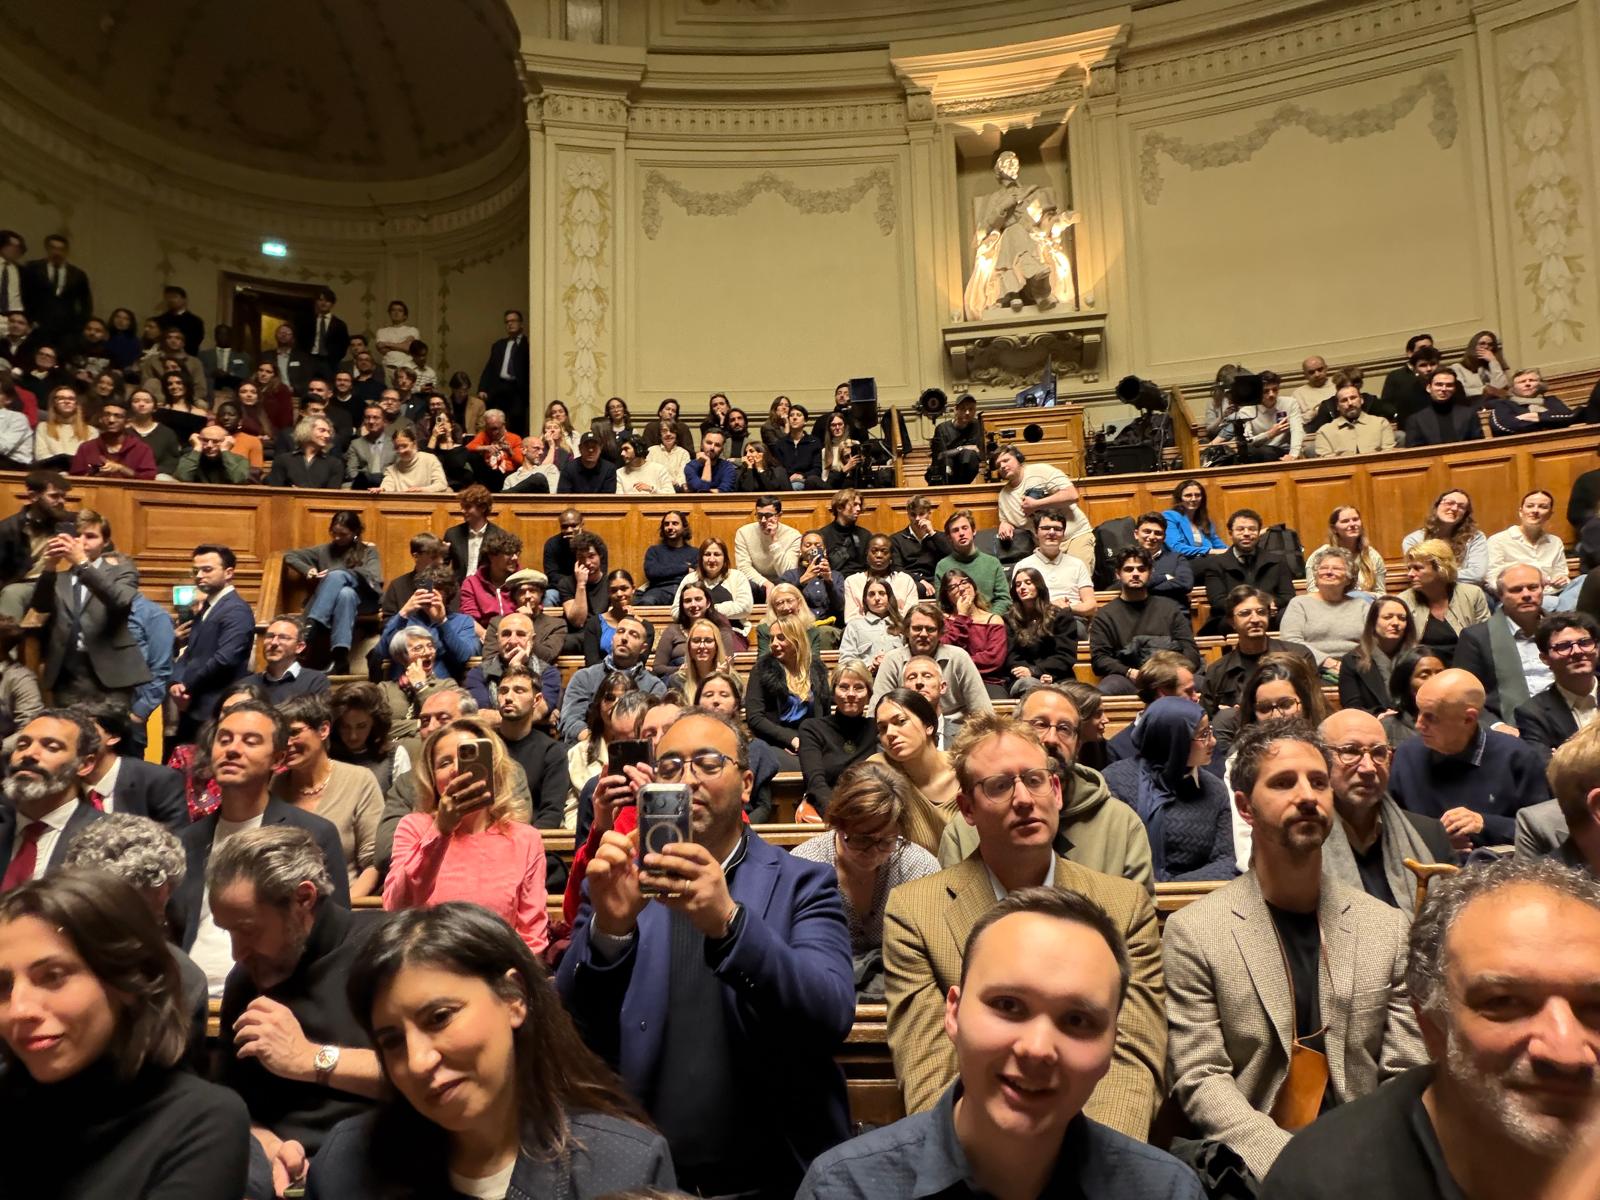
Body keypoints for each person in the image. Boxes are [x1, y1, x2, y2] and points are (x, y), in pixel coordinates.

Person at [556, 709, 855, 1197]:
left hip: (775, 1176)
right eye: (670, 766)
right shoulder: (620, 883)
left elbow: (829, 1013)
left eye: (708, 763)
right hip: (640, 1181)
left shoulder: (805, 881)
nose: (687, 778)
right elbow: (571, 1028)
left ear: (745, 783)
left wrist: (729, 922)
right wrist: (609, 932)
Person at [803, 886, 1201, 1199]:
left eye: (1077, 1020)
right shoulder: (843, 1188)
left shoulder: (1169, 1191)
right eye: (1008, 1005)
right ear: (954, 1013)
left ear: (1113, 1041)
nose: (1038, 1048)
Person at [1163, 719, 1426, 1181]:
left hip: (1368, 1158)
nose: (1307, 796)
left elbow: (1406, 1069)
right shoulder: (1195, 931)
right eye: (1284, 783)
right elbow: (1200, 1075)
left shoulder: (1386, 927)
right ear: (1244, 807)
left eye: (1319, 782)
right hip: (1256, 1162)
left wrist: (1365, 1158)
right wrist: (1293, 1165)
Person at [883, 714, 1164, 1136]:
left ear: (1056, 791)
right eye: (998, 785)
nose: (1023, 799)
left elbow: (1131, 1061)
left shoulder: (1123, 908)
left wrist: (1089, 1172)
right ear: (967, 810)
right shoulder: (915, 911)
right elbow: (929, 1069)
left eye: (1034, 780)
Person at [1258, 856, 1600, 1200]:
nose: (1567, 1052)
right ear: (1431, 1024)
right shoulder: (1322, 1184)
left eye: (1596, 1008)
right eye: (1504, 1003)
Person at [307, 905, 675, 1200]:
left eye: (439, 1018)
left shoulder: (625, 1166)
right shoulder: (344, 1164)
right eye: (391, 1041)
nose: (418, 1062)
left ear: (514, 998)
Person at [0, 870, 251, 1200]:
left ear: (130, 981)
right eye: (3, 986)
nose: (18, 1009)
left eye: (53, 977)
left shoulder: (202, 1119)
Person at [209, 825, 382, 1186]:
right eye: (228, 932)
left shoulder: (389, 950)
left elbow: (431, 1072)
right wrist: (268, 1145)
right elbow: (235, 1102)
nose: (236, 954)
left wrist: (309, 1058)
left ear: (303, 898)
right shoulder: (245, 979)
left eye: (248, 929)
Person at [173, 701, 350, 985]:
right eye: (224, 739)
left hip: (275, 993)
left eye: (250, 741)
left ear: (278, 760)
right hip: (190, 998)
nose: (232, 749)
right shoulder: (187, 840)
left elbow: (334, 938)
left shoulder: (312, 834)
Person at [941, 683, 1156, 887]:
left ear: (1078, 744)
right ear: (1015, 732)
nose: (1052, 739)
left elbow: (1135, 911)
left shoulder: (1121, 824)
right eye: (1040, 724)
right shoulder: (967, 827)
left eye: (1064, 729)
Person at [384, 716, 549, 952]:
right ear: (432, 778)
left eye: (467, 757)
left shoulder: (525, 839)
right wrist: (441, 831)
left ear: (492, 767)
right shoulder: (415, 827)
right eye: (444, 763)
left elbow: (532, 937)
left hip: (497, 973)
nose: (456, 769)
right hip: (426, 968)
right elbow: (397, 907)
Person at [791, 759, 941, 963]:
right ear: (838, 824)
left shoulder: (919, 867)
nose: (873, 852)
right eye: (862, 839)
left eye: (887, 841)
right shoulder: (804, 866)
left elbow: (933, 950)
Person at [1390, 668, 1549, 849]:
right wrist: (1436, 839)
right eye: (1418, 712)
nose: (1418, 725)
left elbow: (1544, 832)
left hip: (1499, 867)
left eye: (1431, 717)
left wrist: (1485, 825)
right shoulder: (1407, 755)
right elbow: (1389, 826)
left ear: (1468, 719)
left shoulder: (1517, 757)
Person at [1319, 709, 1454, 909]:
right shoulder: (1305, 843)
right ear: (1320, 759)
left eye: (1378, 753)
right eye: (1350, 751)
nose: (1368, 768)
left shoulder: (1430, 835)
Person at [27, 507, 149, 706]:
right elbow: (40, 607)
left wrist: (82, 563)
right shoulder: (59, 579)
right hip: (66, 674)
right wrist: (49, 567)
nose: (81, 542)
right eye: (77, 535)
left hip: (111, 673)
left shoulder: (122, 570)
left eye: (90, 536)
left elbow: (119, 600)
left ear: (106, 542)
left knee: (108, 733)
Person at [1103, 698, 1235, 881]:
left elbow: (1226, 862)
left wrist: (1171, 889)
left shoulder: (1215, 789)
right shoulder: (1115, 781)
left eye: (1210, 731)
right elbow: (1109, 857)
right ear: (1175, 740)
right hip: (1126, 893)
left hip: (1195, 899)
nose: (1212, 741)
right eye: (1203, 734)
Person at [270, 694, 382, 900]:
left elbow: (373, 862)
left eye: (294, 733)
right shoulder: (274, 786)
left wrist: (344, 907)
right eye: (281, 736)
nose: (287, 743)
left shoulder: (359, 780)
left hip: (344, 904)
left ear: (323, 730)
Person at [0, 710, 104, 892]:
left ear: (85, 765)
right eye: (22, 745)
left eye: (52, 747)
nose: (29, 754)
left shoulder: (107, 838)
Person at [169, 544, 256, 743]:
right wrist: (175, 681)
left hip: (216, 708)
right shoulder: (207, 608)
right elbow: (189, 653)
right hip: (194, 707)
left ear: (229, 573)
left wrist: (186, 686)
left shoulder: (236, 610)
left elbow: (224, 659)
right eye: (195, 571)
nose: (199, 575)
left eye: (207, 569)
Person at [1089, 548, 1200, 696]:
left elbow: (1190, 650)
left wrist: (1170, 672)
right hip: (1128, 676)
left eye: (1141, 569)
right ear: (1118, 574)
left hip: (1171, 674)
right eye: (1129, 569)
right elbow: (1100, 659)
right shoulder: (1104, 615)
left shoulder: (1170, 608)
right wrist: (1130, 672)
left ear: (1150, 573)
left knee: (1204, 685)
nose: (1135, 573)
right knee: (1106, 690)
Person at [1453, 563, 1553, 723]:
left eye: (1533, 587)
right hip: (1510, 726)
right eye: (1516, 590)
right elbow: (1462, 694)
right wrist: (1496, 726)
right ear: (1500, 595)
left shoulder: (1563, 630)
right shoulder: (1476, 638)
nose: (1526, 594)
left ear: (1543, 589)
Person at [286, 512, 382, 677]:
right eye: (334, 533)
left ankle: (309, 632)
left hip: (365, 600)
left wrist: (340, 574)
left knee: (337, 576)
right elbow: (290, 555)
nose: (337, 538)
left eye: (343, 534)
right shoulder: (324, 550)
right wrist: (308, 570)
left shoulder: (368, 551)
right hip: (342, 602)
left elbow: (374, 577)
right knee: (346, 594)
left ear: (355, 533)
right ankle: (340, 659)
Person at [868, 689, 962, 854]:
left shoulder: (967, 768)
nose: (890, 733)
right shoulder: (880, 769)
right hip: (915, 875)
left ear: (929, 726)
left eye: (901, 721)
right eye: (882, 728)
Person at [72, 698, 186, 830]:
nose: (73, 739)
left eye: (84, 731)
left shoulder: (159, 781)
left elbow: (177, 843)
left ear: (113, 737)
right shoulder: (63, 784)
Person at [869, 602, 995, 718]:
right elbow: (877, 711)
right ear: (906, 631)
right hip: (906, 730)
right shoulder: (892, 660)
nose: (923, 634)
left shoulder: (959, 658)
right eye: (917, 628)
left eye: (930, 629)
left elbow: (982, 710)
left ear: (941, 633)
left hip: (956, 733)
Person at [558, 617, 664, 743]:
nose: (624, 638)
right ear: (612, 639)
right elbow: (570, 720)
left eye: (633, 635)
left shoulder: (654, 686)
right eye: (620, 631)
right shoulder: (584, 677)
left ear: (643, 648)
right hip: (588, 748)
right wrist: (598, 745)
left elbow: (655, 728)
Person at [746, 614, 831, 766]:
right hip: (775, 743)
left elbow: (825, 716)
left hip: (812, 742)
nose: (774, 644)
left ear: (797, 639)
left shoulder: (816, 670)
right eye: (771, 639)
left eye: (781, 638)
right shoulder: (761, 670)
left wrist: (812, 741)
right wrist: (791, 739)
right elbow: (755, 718)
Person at [797, 660, 878, 815]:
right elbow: (815, 782)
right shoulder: (812, 728)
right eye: (844, 687)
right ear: (833, 693)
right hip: (830, 813)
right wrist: (841, 816)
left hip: (872, 811)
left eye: (859, 687)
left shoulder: (878, 728)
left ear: (869, 694)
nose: (851, 694)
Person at [1514, 613, 1600, 757]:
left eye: (1584, 643)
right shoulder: (1532, 713)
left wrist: (1565, 758)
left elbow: (1559, 768)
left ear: (1597, 648)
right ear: (1545, 658)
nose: (1577, 651)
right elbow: (1546, 770)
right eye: (1563, 646)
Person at [1279, 548, 1373, 677]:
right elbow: (1290, 641)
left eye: (1337, 568)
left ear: (1349, 577)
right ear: (1316, 575)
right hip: (1311, 666)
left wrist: (1352, 665)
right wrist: (1328, 663)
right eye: (1323, 568)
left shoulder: (1361, 605)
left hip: (1356, 666)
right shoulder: (1299, 603)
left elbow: (1372, 640)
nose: (1329, 572)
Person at [1201, 507, 1297, 632]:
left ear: (1258, 533)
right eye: (1240, 529)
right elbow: (1218, 602)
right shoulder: (1216, 564)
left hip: (1270, 615)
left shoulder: (1277, 561)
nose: (1246, 533)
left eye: (1252, 529)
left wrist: (1266, 606)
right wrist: (1249, 609)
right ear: (1230, 533)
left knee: (1288, 618)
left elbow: (1288, 596)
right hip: (1232, 619)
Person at [1397, 539, 1492, 666]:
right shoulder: (1403, 601)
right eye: (1409, 568)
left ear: (1441, 568)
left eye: (1418, 568)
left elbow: (1487, 639)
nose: (1410, 574)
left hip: (1468, 668)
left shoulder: (1472, 594)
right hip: (1426, 673)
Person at [993, 445, 1090, 558]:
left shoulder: (1041, 471)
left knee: (1077, 573)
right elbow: (1006, 520)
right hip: (1044, 548)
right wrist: (1005, 524)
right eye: (998, 465)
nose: (1002, 466)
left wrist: (1036, 504)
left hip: (1074, 537)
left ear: (1019, 459)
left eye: (1006, 460)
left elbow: (1072, 495)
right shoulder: (1003, 496)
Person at [1339, 595, 1419, 715]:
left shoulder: (1419, 658)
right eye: (1388, 617)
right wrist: (1379, 716)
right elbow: (1352, 709)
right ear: (1373, 621)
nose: (1396, 623)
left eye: (1402, 618)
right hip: (1374, 725)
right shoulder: (1351, 661)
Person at [1012, 508, 1097, 616]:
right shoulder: (1023, 565)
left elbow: (1091, 606)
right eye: (1046, 528)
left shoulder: (1077, 564)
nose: (1052, 532)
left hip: (1072, 619)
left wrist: (1067, 608)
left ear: (1063, 533)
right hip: (1037, 620)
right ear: (1036, 532)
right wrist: (1050, 606)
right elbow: (1018, 605)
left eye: (1057, 529)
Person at [1486, 489, 1568, 599]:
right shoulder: (1498, 540)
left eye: (1543, 507)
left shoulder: (1555, 542)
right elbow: (1492, 578)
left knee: (1583, 580)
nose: (1535, 510)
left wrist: (1562, 579)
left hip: (1552, 594)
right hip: (1518, 598)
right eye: (1530, 506)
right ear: (1521, 512)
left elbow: (1561, 573)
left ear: (1550, 514)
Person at [940, 568, 1009, 697]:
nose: (961, 589)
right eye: (953, 587)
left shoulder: (993, 620)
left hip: (987, 680)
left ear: (973, 586)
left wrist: (960, 663)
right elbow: (944, 650)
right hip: (950, 679)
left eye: (964, 583)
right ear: (947, 596)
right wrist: (962, 616)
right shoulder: (942, 620)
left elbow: (994, 659)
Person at [1402, 489, 1489, 587]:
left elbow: (1477, 574)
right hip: (1429, 591)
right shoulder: (1413, 540)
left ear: (1465, 514)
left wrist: (1436, 575)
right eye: (1449, 503)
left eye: (1461, 507)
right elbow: (1419, 573)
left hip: (1467, 589)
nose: (1455, 508)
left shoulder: (1475, 537)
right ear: (1437, 506)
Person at [935, 509, 1012, 615]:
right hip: (957, 624)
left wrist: (988, 620)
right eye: (955, 530)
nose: (961, 533)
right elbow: (941, 605)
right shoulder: (942, 566)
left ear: (974, 531)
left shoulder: (992, 563)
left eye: (965, 528)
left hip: (989, 623)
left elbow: (1004, 599)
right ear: (949, 538)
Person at [669, 537, 754, 632]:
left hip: (732, 631)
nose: (712, 559)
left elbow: (745, 608)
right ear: (701, 558)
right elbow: (676, 612)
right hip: (693, 632)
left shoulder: (737, 576)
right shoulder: (690, 579)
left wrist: (706, 610)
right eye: (707, 554)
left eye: (717, 554)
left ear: (725, 558)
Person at [1305, 505, 1386, 595]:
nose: (1352, 524)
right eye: (1345, 521)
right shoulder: (1319, 556)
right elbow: (1312, 593)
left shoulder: (1373, 556)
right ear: (1334, 529)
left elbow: (1380, 594)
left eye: (1355, 519)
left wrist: (1360, 596)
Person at [69, 395, 156, 479]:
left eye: (117, 416)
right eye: (107, 415)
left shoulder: (141, 449)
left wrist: (121, 469)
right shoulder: (86, 448)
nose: (111, 420)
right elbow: (75, 481)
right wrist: (95, 474)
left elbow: (149, 479)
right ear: (100, 419)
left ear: (127, 423)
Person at [734, 495, 802, 598]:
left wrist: (774, 540)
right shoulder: (743, 533)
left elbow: (788, 572)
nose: (763, 520)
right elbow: (743, 567)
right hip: (756, 582)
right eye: (760, 515)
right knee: (745, 585)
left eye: (768, 515)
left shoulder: (794, 536)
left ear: (779, 515)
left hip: (782, 582)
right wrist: (766, 583)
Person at [1312, 380, 1397, 457]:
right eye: (1344, 400)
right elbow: (1327, 464)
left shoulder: (1381, 423)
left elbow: (1389, 456)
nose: (1350, 403)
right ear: (1337, 407)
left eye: (1353, 398)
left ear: (1361, 400)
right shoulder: (1324, 432)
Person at [890, 495, 952, 598]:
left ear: (929, 514)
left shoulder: (939, 537)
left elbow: (951, 557)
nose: (917, 519)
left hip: (936, 579)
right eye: (913, 515)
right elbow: (897, 568)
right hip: (910, 580)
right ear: (908, 515)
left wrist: (932, 533)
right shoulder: (896, 539)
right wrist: (919, 579)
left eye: (922, 514)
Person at [837, 576, 905, 671]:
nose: (877, 598)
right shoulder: (854, 626)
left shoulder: (902, 625)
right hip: (865, 681)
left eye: (882, 593)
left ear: (889, 597)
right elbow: (846, 661)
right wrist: (869, 668)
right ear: (865, 600)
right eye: (871, 594)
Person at [1404, 367, 1482, 447]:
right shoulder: (1416, 420)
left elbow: (1479, 446)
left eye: (1449, 385)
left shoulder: (1469, 414)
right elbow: (1413, 453)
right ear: (1429, 388)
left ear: (1454, 389)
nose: (1444, 389)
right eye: (1439, 384)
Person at [778, 531, 844, 625]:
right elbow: (781, 603)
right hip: (798, 626)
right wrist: (802, 580)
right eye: (808, 545)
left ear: (824, 550)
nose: (813, 548)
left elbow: (840, 607)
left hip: (829, 627)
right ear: (800, 550)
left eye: (818, 545)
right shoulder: (790, 576)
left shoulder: (836, 576)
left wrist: (829, 582)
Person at [638, 510, 697, 606]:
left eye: (675, 523)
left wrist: (665, 571)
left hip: (685, 590)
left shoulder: (695, 553)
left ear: (684, 527)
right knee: (646, 601)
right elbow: (652, 573)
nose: (670, 527)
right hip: (659, 590)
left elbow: (696, 576)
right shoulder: (654, 551)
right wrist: (685, 568)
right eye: (666, 524)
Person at [924, 392, 983, 486]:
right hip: (945, 471)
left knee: (969, 456)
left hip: (964, 472)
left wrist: (957, 451)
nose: (967, 412)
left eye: (971, 409)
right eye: (963, 409)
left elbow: (979, 452)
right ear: (955, 410)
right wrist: (962, 449)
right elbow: (941, 455)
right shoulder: (942, 428)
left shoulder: (977, 426)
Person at [1163, 478, 1227, 558]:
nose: (1193, 499)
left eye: (1197, 495)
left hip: (1207, 562)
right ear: (1179, 498)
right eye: (1188, 495)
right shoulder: (1170, 517)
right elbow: (1176, 548)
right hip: (1182, 563)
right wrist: (1209, 551)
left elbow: (1220, 546)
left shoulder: (1206, 521)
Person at [376, 425, 449, 494]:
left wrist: (422, 490)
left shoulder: (430, 460)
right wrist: (382, 490)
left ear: (414, 444)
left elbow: (441, 484)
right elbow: (387, 485)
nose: (401, 451)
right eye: (397, 447)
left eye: (404, 446)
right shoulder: (392, 470)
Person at [819, 488, 873, 578]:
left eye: (859, 505)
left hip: (860, 583)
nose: (859, 509)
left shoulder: (865, 535)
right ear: (839, 507)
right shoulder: (823, 535)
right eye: (855, 505)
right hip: (833, 582)